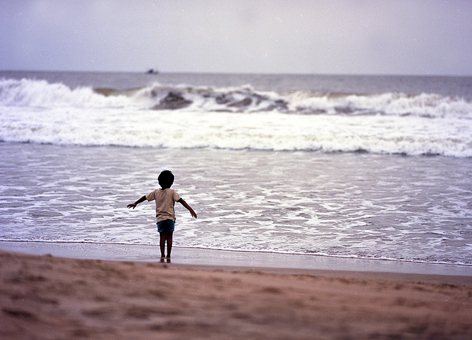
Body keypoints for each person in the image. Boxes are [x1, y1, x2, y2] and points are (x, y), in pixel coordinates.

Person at [127, 170, 197, 259]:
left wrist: (135, 203)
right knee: (170, 237)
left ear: (159, 181)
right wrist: (191, 210)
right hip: (170, 218)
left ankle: (162, 255)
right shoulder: (172, 192)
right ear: (171, 182)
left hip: (160, 219)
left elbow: (145, 197)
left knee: (162, 237)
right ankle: (168, 255)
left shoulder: (156, 192)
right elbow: (181, 201)